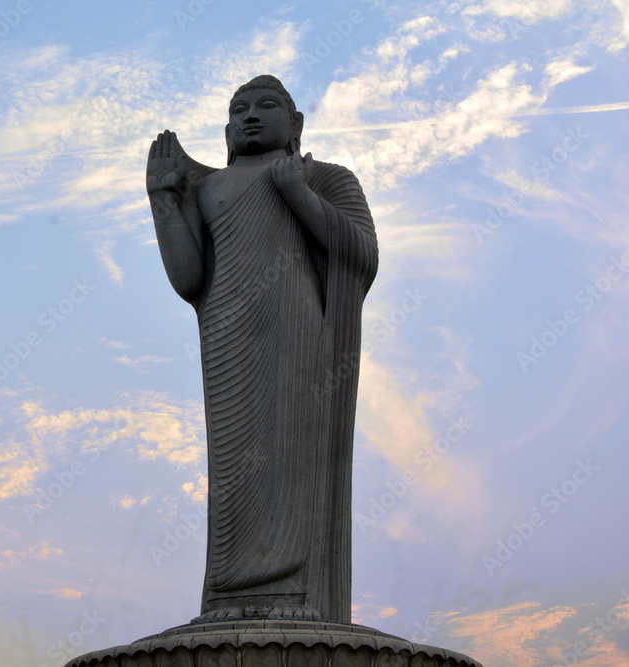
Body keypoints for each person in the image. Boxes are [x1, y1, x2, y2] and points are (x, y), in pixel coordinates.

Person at [146, 75, 378, 623]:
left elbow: (362, 253)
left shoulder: (325, 177)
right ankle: (233, 589)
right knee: (234, 464)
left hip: (297, 331)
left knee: (292, 443)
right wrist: (163, 200)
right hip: (227, 335)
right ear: (226, 129)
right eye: (238, 109)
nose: (250, 116)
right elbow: (188, 278)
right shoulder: (209, 189)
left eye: (266, 106)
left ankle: (299, 586)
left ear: (295, 125)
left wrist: (297, 192)